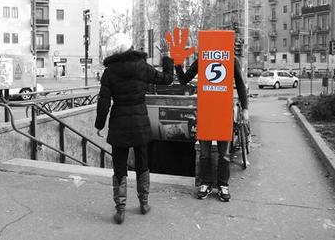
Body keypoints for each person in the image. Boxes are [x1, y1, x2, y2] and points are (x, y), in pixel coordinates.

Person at [95, 33, 174, 224]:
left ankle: (120, 209)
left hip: (119, 124)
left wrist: (100, 124)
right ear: (130, 46)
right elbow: (167, 79)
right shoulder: (142, 67)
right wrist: (166, 56)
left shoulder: (109, 72)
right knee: (143, 163)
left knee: (119, 166)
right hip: (140, 123)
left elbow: (103, 101)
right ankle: (144, 203)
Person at [175, 55, 249, 202]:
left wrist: (245, 108)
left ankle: (222, 185)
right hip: (206, 111)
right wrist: (177, 63)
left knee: (224, 154)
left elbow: (240, 83)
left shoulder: (231, 59)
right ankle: (206, 183)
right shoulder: (203, 59)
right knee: (204, 153)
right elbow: (184, 79)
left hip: (223, 111)